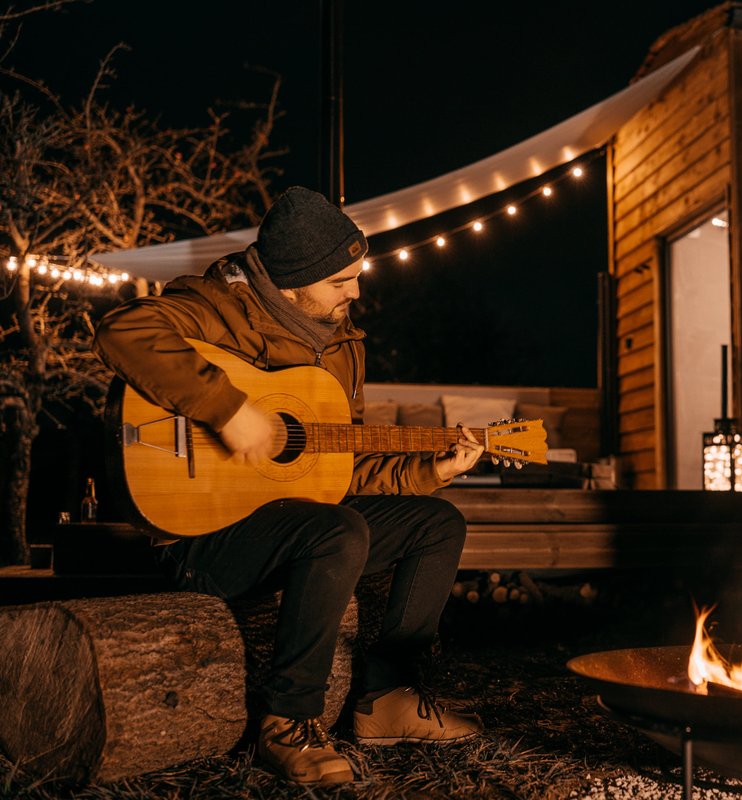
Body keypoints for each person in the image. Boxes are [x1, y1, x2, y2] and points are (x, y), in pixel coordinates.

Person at [94, 186, 485, 785]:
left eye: (357, 275)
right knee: (336, 529)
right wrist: (226, 408)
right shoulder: (214, 305)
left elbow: (334, 465)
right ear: (293, 280)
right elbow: (123, 330)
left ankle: (384, 698)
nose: (355, 293)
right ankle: (288, 721)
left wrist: (427, 472)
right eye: (340, 281)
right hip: (202, 534)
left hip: (300, 523)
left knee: (436, 523)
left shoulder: (341, 341)